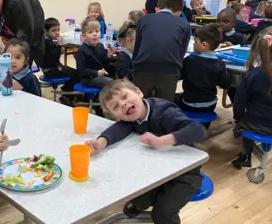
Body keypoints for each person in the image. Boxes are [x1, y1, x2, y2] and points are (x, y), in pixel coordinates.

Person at [85, 79, 205, 224]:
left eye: (124, 97)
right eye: (116, 106)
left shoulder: (164, 112)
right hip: (160, 167)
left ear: (138, 92)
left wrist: (161, 141)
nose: (123, 104)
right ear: (116, 117)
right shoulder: (131, 118)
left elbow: (198, 130)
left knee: (162, 213)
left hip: (186, 173)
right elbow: (121, 128)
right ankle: (141, 203)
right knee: (137, 191)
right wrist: (101, 142)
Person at [132, 0, 190, 102]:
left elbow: (137, 48)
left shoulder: (144, 20)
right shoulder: (184, 25)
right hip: (169, 70)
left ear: (157, 8)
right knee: (164, 106)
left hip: (143, 68)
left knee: (139, 103)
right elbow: (181, 53)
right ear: (179, 12)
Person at [231, 27, 272, 168]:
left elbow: (239, 104)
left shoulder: (254, 75)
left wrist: (238, 118)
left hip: (255, 124)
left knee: (244, 120)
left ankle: (245, 155)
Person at [174, 24, 231, 128]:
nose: (193, 45)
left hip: (189, 104)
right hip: (210, 105)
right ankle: (204, 125)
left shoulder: (189, 61)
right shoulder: (220, 63)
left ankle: (182, 124)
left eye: (195, 42)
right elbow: (226, 84)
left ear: (203, 45)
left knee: (172, 97)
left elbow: (177, 77)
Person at [74, 18, 115, 89]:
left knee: (118, 81)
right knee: (111, 84)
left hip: (100, 75)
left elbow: (103, 62)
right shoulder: (81, 51)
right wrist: (96, 73)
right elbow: (81, 71)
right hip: (88, 78)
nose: (95, 34)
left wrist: (108, 56)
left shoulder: (100, 46)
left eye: (97, 31)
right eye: (90, 32)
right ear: (84, 36)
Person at [40, 17, 78, 93]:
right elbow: (54, 58)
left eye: (58, 30)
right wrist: (59, 45)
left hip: (49, 69)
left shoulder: (46, 40)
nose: (57, 32)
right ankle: (67, 91)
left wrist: (58, 48)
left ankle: (66, 87)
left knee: (71, 70)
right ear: (45, 31)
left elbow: (51, 55)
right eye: (53, 30)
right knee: (76, 73)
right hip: (52, 70)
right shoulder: (48, 42)